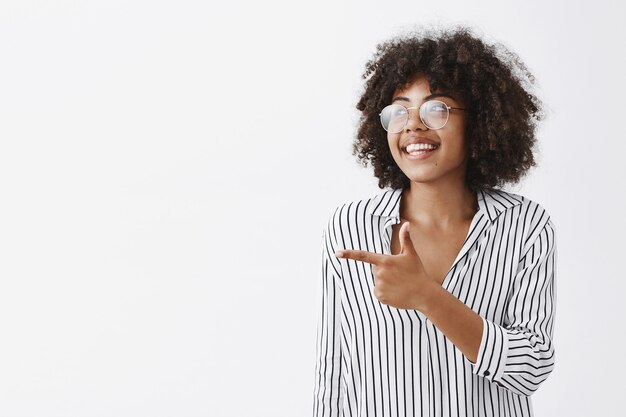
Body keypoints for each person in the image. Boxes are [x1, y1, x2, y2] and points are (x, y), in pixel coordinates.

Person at [312, 25, 557, 417]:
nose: (413, 125)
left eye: (435, 108)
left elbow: (531, 368)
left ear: (480, 120)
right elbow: (335, 374)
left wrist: (428, 296)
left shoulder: (525, 226)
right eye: (399, 110)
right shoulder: (350, 226)